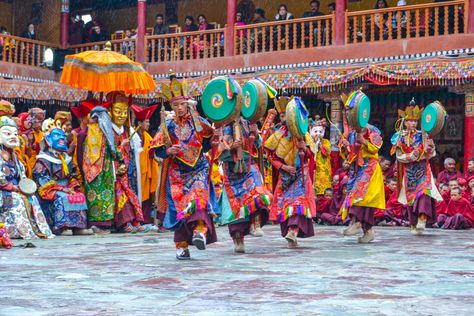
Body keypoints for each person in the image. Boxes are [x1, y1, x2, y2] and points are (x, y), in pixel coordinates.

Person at [151, 74, 219, 260]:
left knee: (199, 199)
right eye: (175, 105)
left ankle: (200, 231)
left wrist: (216, 132)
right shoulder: (167, 124)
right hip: (177, 172)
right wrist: (168, 151)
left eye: (182, 104)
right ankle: (181, 246)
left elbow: (209, 138)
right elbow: (156, 151)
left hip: (198, 168)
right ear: (171, 106)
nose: (179, 108)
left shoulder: (197, 121)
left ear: (187, 103)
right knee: (180, 207)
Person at [264, 97, 316, 248]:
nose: (285, 118)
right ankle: (290, 231)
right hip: (285, 176)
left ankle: (293, 231)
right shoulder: (278, 135)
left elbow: (312, 155)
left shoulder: (304, 134)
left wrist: (304, 148)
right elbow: (270, 156)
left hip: (301, 175)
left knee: (298, 203)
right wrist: (283, 167)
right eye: (282, 115)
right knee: (286, 205)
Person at [218, 116, 272, 253]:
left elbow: (258, 145)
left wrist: (255, 133)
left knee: (258, 192)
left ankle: (255, 223)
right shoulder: (222, 125)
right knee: (235, 206)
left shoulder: (248, 123)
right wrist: (231, 148)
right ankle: (238, 238)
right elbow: (218, 153)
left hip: (249, 166)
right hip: (232, 171)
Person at [391, 99, 442, 235]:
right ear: (405, 122)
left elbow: (432, 153)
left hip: (423, 169)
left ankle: (422, 218)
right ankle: (413, 223)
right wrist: (410, 156)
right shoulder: (400, 137)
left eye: (415, 121)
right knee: (411, 197)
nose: (413, 123)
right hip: (409, 171)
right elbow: (398, 155)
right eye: (410, 121)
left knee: (424, 192)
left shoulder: (423, 135)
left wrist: (428, 150)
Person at [340, 93, 385, 243]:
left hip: (369, 168)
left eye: (350, 110)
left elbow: (377, 145)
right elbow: (348, 152)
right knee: (358, 199)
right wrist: (346, 147)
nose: (347, 114)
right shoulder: (351, 132)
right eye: (346, 111)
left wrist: (364, 142)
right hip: (356, 169)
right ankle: (368, 231)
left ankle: (357, 222)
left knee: (360, 197)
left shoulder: (371, 130)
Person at [33, 119, 90, 236]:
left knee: (79, 195)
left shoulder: (66, 158)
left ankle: (78, 226)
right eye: (57, 136)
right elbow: (42, 180)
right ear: (48, 140)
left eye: (63, 136)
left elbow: (72, 176)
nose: (62, 139)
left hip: (66, 187)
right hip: (52, 189)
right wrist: (62, 189)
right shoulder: (43, 160)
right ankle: (62, 227)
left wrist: (72, 186)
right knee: (61, 197)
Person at [0, 116, 53, 240]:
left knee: (32, 198)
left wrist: (24, 186)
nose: (13, 137)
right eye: (7, 133)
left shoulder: (15, 155)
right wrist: (13, 188)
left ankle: (39, 230)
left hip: (15, 188)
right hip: (4, 190)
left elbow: (21, 174)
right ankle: (19, 231)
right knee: (17, 199)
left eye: (15, 133)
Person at [108, 92, 146, 233]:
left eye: (124, 112)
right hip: (113, 173)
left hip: (126, 171)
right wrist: (120, 146)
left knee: (131, 195)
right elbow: (107, 153)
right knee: (120, 195)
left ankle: (135, 221)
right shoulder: (108, 130)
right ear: (111, 112)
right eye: (117, 111)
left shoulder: (127, 130)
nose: (121, 115)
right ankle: (124, 223)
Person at [131, 104, 160, 225]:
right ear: (139, 123)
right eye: (146, 122)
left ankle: (146, 220)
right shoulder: (133, 136)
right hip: (137, 170)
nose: (148, 124)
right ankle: (137, 220)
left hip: (147, 170)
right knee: (137, 194)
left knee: (147, 197)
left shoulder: (147, 136)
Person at [310, 117, 332, 196]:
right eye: (315, 131)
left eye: (320, 131)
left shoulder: (326, 142)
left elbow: (327, 152)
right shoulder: (308, 141)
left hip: (323, 167)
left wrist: (320, 146)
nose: (318, 134)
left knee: (323, 181)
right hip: (312, 165)